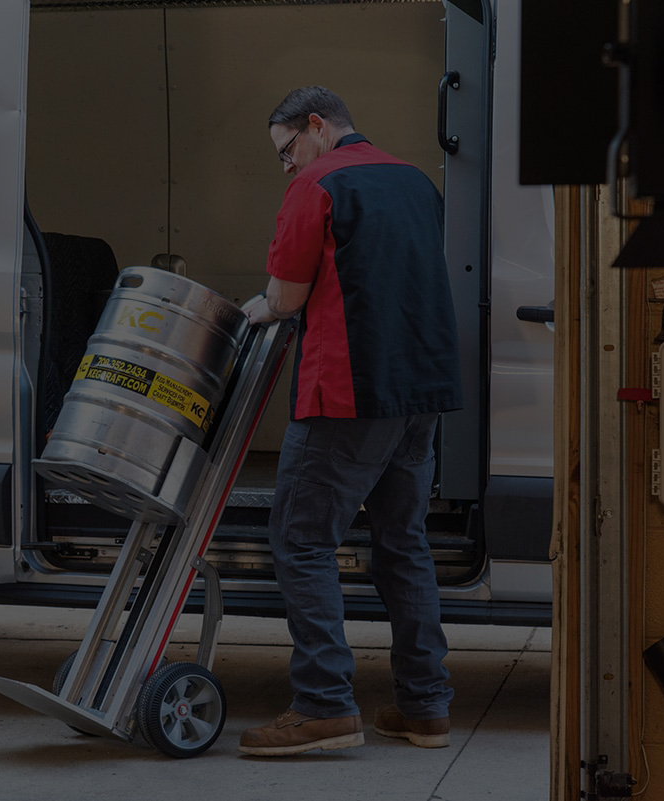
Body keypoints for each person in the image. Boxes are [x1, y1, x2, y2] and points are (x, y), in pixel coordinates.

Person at [238, 86, 463, 757]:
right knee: (403, 541)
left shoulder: (318, 183)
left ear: (316, 125)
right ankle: (425, 707)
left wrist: (259, 308)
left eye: (287, 151)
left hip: (348, 392)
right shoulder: (416, 180)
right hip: (421, 391)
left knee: (302, 539)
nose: (286, 166)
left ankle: (324, 706)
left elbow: (285, 296)